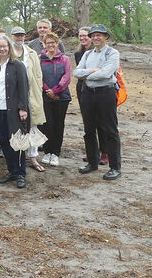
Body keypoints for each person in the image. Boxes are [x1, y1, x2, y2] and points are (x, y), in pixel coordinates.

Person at [73, 24, 122, 180]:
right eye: (93, 35)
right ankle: (92, 163)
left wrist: (87, 74)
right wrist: (93, 72)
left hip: (106, 93)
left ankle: (115, 167)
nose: (95, 38)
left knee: (110, 130)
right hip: (88, 94)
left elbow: (107, 74)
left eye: (99, 35)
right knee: (89, 130)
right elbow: (76, 72)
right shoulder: (87, 55)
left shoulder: (112, 53)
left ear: (105, 37)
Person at [0, 35, 30, 188]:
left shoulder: (17, 65)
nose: (2, 49)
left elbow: (24, 88)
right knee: (3, 141)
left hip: (14, 111)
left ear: (9, 47)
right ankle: (11, 170)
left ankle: (20, 173)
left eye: (4, 46)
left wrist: (23, 108)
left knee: (16, 143)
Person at [9, 27, 46, 172]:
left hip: (31, 93)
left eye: (21, 36)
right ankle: (17, 155)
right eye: (17, 36)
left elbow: (38, 75)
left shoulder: (31, 53)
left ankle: (33, 157)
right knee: (15, 125)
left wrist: (38, 92)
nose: (19, 38)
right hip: (13, 94)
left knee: (33, 124)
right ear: (12, 36)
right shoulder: (8, 51)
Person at [75, 26, 107, 165]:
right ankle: (92, 153)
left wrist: (87, 73)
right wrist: (89, 72)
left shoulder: (101, 52)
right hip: (83, 88)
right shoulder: (79, 53)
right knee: (89, 123)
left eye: (85, 36)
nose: (83, 38)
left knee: (102, 122)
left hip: (100, 89)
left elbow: (103, 72)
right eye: (80, 36)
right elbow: (78, 72)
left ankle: (105, 152)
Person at [38, 32, 72, 167]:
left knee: (58, 125)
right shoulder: (40, 58)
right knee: (47, 125)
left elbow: (67, 76)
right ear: (44, 44)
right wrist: (48, 91)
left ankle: (55, 153)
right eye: (48, 43)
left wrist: (56, 90)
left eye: (53, 42)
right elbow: (38, 76)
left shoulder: (64, 59)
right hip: (45, 96)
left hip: (61, 97)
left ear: (57, 43)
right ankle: (47, 151)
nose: (50, 45)